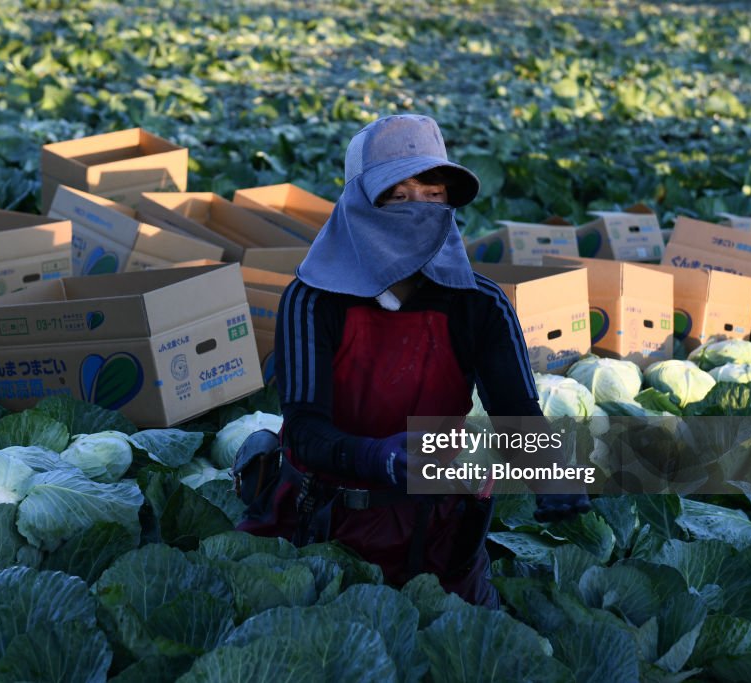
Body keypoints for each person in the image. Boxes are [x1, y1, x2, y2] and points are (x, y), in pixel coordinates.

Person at [235, 114, 589, 607]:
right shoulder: (313, 300)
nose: (418, 209)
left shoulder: (480, 304)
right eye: (397, 197)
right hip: (322, 526)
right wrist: (374, 457)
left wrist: (551, 473)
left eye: (432, 194)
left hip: (439, 532)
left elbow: (517, 416)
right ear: (358, 206)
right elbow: (303, 431)